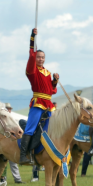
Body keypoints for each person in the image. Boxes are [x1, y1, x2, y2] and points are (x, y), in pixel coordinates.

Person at [20, 28, 58, 163]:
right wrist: (32, 37)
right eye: (38, 57)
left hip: (49, 103)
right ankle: (23, 155)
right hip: (38, 102)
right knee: (31, 127)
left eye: (42, 57)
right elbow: (31, 55)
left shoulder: (47, 72)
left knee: (51, 127)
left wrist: (55, 81)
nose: (40, 59)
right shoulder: (33, 70)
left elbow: (51, 90)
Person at [4, 102, 22, 183]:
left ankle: (17, 179)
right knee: (2, 162)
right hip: (4, 143)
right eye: (8, 109)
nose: (9, 110)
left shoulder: (12, 119)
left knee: (13, 161)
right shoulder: (4, 120)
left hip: (11, 143)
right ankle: (2, 178)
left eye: (10, 109)